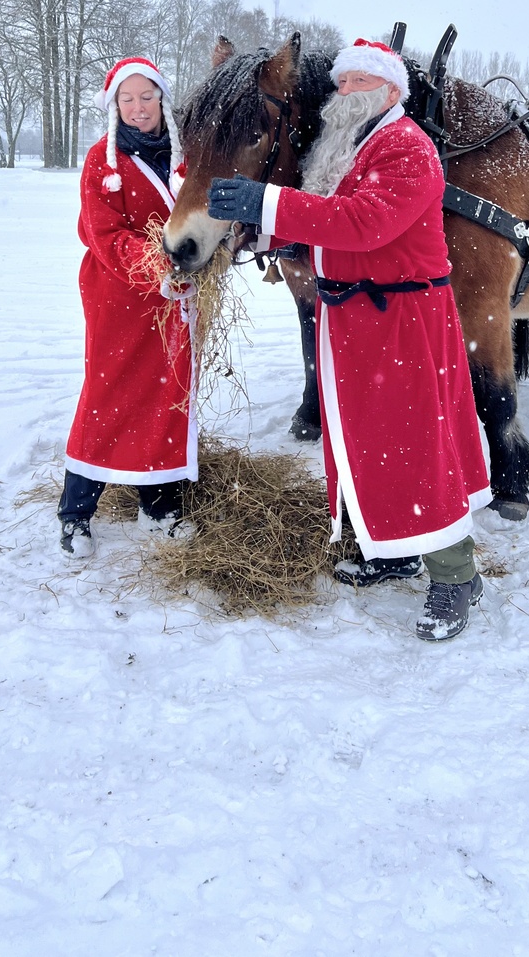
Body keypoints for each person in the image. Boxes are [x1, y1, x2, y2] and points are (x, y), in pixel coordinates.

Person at [207, 39, 491, 642]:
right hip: (354, 319)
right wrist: (262, 238)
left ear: (390, 91)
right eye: (341, 84)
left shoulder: (409, 147)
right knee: (366, 443)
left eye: (359, 84)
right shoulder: (349, 146)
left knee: (417, 443)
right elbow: (325, 230)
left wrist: (270, 203)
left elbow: (365, 224)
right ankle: (394, 547)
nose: (344, 94)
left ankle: (456, 575)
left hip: (402, 320)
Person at [58, 56, 197, 557]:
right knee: (107, 394)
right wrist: (158, 267)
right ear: (114, 105)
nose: (138, 108)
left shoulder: (185, 156)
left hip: (176, 301)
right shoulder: (103, 159)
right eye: (127, 99)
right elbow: (103, 234)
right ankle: (75, 512)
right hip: (118, 296)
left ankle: (157, 506)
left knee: (168, 396)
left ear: (162, 97)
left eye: (147, 96)